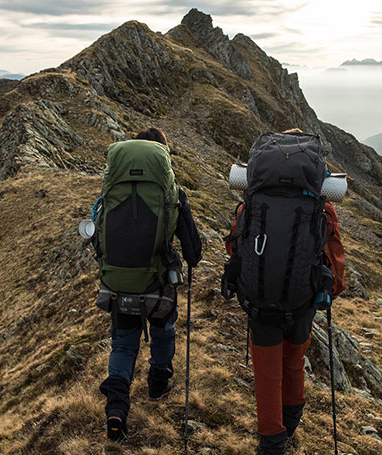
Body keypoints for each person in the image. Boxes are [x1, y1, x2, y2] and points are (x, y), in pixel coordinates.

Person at [223, 129, 346, 454]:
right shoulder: (322, 209)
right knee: (293, 361)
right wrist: (329, 288)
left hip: (261, 300)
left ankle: (272, 441)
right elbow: (334, 257)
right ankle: (291, 418)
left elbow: (235, 244)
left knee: (266, 371)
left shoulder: (251, 204)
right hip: (301, 300)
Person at [94, 127, 202, 442]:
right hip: (158, 285)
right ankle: (158, 384)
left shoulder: (110, 190)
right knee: (164, 331)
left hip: (118, 282)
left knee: (124, 344)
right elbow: (194, 252)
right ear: (163, 157)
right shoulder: (173, 193)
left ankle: (116, 408)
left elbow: (99, 238)